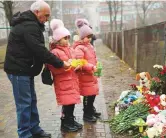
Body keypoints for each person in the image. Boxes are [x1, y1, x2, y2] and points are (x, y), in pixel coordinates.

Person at [4, 1, 70, 138]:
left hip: (25, 70)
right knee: (24, 103)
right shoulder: (29, 26)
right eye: (46, 16)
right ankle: (24, 134)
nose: (47, 19)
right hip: (18, 70)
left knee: (31, 100)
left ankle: (34, 129)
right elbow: (39, 50)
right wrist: (60, 63)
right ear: (37, 12)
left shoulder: (32, 24)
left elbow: (37, 49)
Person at [47, 19, 83, 132]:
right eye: (65, 38)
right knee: (67, 104)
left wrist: (77, 65)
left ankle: (70, 120)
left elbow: (74, 60)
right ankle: (66, 123)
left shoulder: (69, 49)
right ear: (58, 39)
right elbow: (53, 68)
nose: (67, 40)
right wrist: (66, 67)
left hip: (72, 80)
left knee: (71, 103)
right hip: (63, 82)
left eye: (68, 37)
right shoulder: (54, 52)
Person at [73, 19, 101, 122]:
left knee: (92, 94)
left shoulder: (89, 46)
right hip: (85, 76)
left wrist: (96, 64)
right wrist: (91, 67)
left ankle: (91, 111)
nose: (89, 39)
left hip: (91, 74)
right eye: (87, 37)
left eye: (90, 37)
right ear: (81, 36)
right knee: (88, 95)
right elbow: (81, 62)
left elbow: (92, 58)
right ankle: (87, 114)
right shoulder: (79, 48)